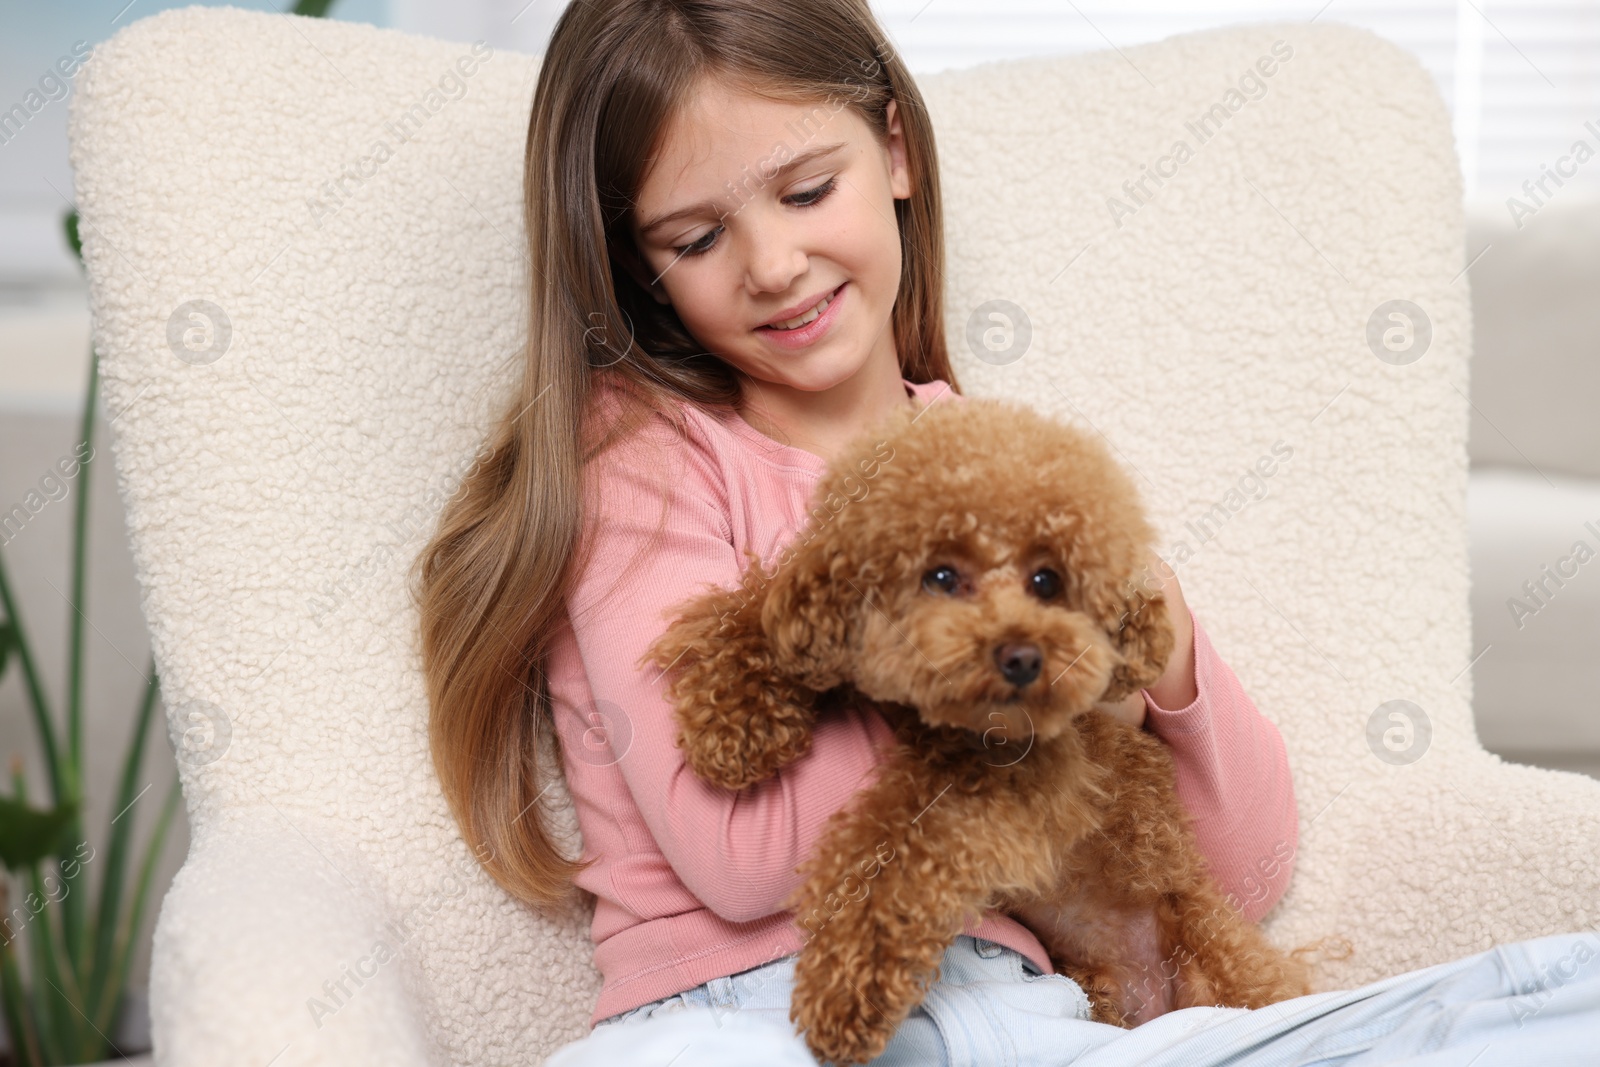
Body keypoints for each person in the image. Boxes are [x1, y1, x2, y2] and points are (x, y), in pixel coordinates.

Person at [412, 1, 1600, 1063]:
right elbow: (738, 854)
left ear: (892, 150)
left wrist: (1155, 666)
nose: (773, 265)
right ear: (640, 266)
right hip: (738, 1013)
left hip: (1027, 1017)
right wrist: (1001, 707)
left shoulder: (1018, 468)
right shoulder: (644, 460)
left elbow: (1239, 872)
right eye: (696, 237)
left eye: (805, 189)